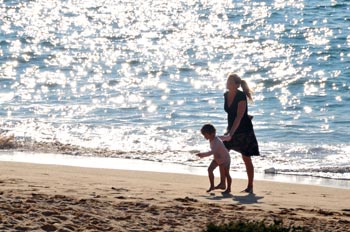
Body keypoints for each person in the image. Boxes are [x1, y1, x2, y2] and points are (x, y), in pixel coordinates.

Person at [220, 73, 260, 194]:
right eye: (227, 81)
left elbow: (239, 116)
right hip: (231, 129)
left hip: (244, 131)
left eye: (230, 82)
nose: (228, 84)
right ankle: (223, 183)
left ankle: (250, 186)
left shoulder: (241, 96)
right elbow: (231, 114)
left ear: (237, 85)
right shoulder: (226, 95)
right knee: (222, 155)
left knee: (246, 158)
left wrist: (230, 134)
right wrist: (229, 132)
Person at [196, 124, 232, 194]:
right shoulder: (213, 138)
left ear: (212, 134)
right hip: (217, 158)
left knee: (226, 174)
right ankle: (212, 186)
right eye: (204, 135)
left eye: (206, 135)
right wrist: (229, 136)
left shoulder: (216, 141)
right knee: (210, 169)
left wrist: (203, 155)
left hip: (225, 158)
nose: (205, 137)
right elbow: (225, 138)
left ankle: (228, 188)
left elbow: (212, 152)